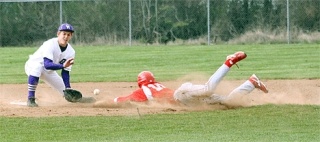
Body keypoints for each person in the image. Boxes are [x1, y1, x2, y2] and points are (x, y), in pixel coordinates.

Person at [112, 51, 268, 108]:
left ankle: (229, 61)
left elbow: (124, 99)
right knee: (227, 102)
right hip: (188, 100)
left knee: (208, 89)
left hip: (182, 95)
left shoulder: (145, 89)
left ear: (140, 82)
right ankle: (251, 82)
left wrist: (111, 100)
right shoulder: (156, 85)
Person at [25, 23, 76, 107]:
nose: (66, 36)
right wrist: (63, 66)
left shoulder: (71, 52)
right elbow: (47, 64)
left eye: (68, 34)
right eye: (64, 34)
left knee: (66, 93)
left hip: (49, 72)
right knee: (37, 67)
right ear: (58, 34)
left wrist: (68, 87)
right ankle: (30, 99)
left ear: (71, 36)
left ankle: (80, 101)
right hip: (33, 65)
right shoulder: (50, 44)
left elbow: (65, 72)